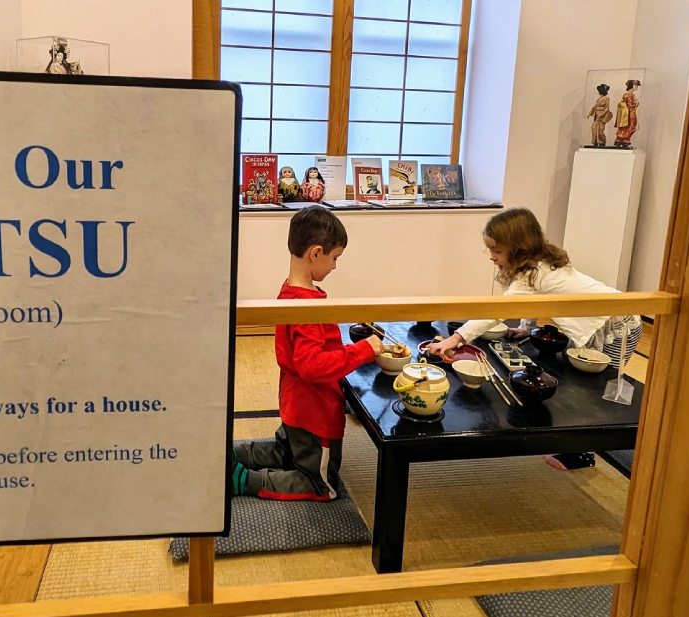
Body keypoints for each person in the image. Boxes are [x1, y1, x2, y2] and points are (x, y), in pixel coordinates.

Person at [425, 208, 641, 469]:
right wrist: (527, 327)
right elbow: (536, 300)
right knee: (586, 382)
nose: (491, 257)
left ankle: (584, 453)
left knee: (597, 387)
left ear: (518, 248)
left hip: (619, 324)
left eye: (496, 250)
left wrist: (454, 339)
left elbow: (496, 312)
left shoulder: (535, 273)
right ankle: (578, 444)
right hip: (604, 321)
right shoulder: (537, 267)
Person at [230, 208, 383, 500]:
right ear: (316, 253)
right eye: (335, 257)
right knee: (320, 486)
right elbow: (312, 365)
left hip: (294, 406)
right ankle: (244, 480)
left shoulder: (290, 291)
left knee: (283, 450)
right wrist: (363, 350)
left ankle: (234, 454)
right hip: (316, 413)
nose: (335, 266)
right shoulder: (307, 307)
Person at [614, 79, 641, 148]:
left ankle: (620, 139)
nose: (637, 87)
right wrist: (636, 103)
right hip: (629, 112)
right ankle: (625, 139)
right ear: (632, 85)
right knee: (631, 125)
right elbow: (630, 105)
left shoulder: (629, 94)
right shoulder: (629, 95)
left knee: (625, 126)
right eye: (636, 85)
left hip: (627, 112)